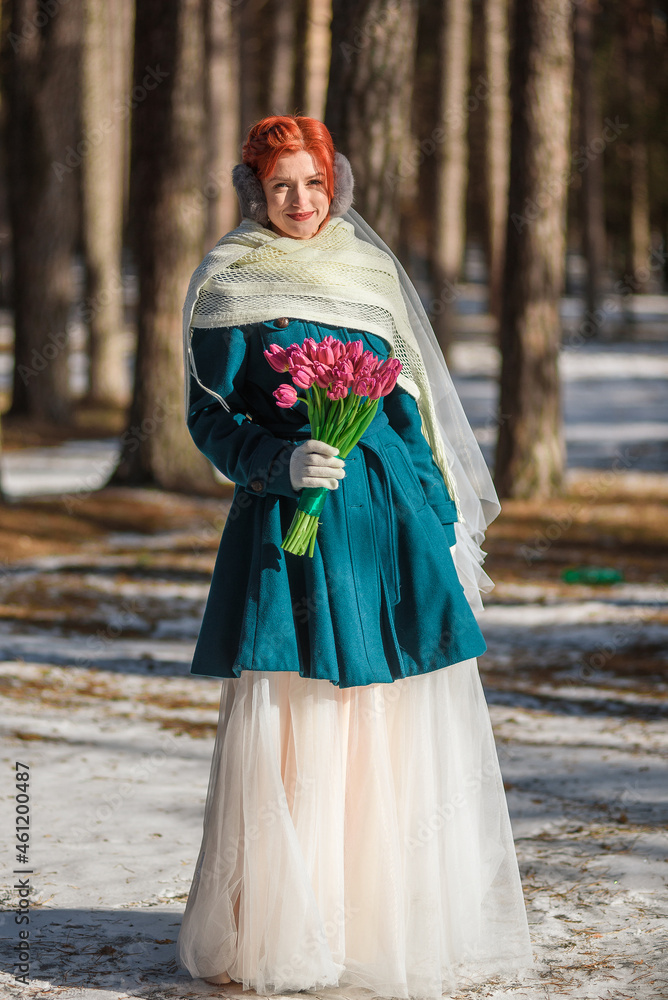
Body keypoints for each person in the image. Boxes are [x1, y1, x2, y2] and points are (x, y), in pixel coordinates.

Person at [176, 114, 533, 998]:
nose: (298, 201)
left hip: (388, 527)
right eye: (279, 186)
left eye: (312, 182)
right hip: (291, 526)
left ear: (336, 182)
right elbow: (208, 417)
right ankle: (287, 925)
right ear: (254, 193)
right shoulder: (230, 279)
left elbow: (409, 414)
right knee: (296, 718)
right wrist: (276, 460)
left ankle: (374, 919)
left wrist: (444, 519)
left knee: (384, 717)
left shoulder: (370, 274)